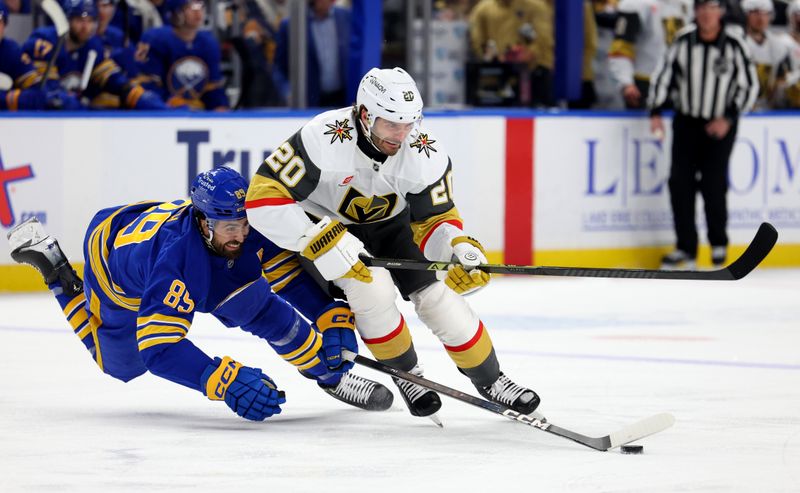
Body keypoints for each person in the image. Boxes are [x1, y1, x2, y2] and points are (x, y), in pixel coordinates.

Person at [245, 67, 540, 424]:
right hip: (328, 230)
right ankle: (409, 375)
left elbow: (434, 219)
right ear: (365, 114)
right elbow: (262, 198)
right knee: (374, 293)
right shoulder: (321, 137)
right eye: (392, 124)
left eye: (409, 124)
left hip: (392, 226)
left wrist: (456, 249)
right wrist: (313, 239)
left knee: (439, 299)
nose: (402, 135)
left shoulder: (424, 150)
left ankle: (492, 380)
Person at [6, 167, 393, 421]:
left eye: (243, 222)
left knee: (266, 313)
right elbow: (157, 349)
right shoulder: (174, 265)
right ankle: (56, 270)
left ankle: (329, 375)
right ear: (205, 222)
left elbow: (285, 275)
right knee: (121, 366)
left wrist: (328, 314)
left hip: (168, 238)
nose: (240, 234)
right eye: (229, 226)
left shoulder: (248, 227)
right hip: (114, 265)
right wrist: (220, 379)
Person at [649, 0, 758, 269]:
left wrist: (728, 118)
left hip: (720, 125)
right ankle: (685, 247)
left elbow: (749, 85)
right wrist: (655, 111)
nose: (707, 14)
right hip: (687, 122)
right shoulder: (683, 40)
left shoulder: (734, 44)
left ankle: (718, 243)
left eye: (712, 7)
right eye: (702, 8)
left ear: (720, 11)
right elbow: (663, 75)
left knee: (713, 183)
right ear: (695, 12)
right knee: (679, 183)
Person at [23, 0, 165, 109]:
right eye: (79, 20)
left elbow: (115, 80)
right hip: (34, 117)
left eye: (90, 21)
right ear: (67, 20)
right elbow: (47, 93)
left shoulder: (92, 45)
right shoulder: (44, 41)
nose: (86, 27)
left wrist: (141, 96)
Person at [135, 0, 229, 110]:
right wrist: (168, 103)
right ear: (176, 12)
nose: (197, 12)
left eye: (200, 7)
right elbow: (148, 86)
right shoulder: (155, 39)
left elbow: (213, 87)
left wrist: (220, 106)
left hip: (197, 111)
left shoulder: (209, 43)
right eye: (191, 7)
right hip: (163, 111)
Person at [608, 0, 693, 109]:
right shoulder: (637, 5)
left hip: (681, 83)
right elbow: (621, 47)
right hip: (645, 82)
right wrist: (626, 82)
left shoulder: (689, 5)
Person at [468, 0, 554, 107]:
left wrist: (528, 53)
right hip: (497, 76)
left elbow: (544, 39)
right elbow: (477, 41)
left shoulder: (536, 7)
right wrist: (493, 57)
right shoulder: (482, 9)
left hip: (534, 74)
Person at [0, 0, 79, 110]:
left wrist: (8, 98)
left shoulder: (10, 50)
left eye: (0, 22)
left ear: (5, 25)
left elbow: (37, 91)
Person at [273, 0, 351, 107]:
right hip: (309, 103)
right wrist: (288, 92)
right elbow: (278, 68)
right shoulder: (292, 25)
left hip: (343, 100)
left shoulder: (346, 17)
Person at [741, 0, 793, 108]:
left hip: (771, 109)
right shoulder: (736, 43)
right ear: (746, 14)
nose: (760, 18)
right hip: (742, 107)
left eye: (765, 13)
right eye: (755, 12)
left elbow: (783, 81)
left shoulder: (779, 45)